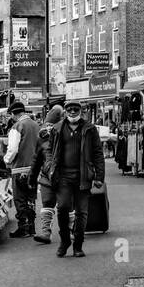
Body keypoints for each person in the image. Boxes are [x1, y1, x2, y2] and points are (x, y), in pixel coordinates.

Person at [47, 101, 105, 257]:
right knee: (63, 207)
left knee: (82, 212)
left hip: (83, 176)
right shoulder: (57, 128)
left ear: (81, 111)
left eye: (76, 109)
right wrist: (49, 167)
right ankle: (64, 240)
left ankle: (78, 245)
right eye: (69, 110)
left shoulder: (90, 129)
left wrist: (99, 176)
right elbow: (49, 151)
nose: (72, 112)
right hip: (63, 176)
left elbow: (98, 153)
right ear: (65, 111)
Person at [28, 105, 64, 244]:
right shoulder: (43, 138)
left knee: (64, 205)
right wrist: (31, 178)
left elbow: (36, 160)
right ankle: (46, 233)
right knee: (50, 204)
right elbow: (37, 160)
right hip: (48, 177)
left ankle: (69, 231)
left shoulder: (66, 134)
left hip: (60, 176)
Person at [4, 102, 40, 238]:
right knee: (31, 198)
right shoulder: (36, 125)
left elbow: (13, 149)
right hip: (34, 168)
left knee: (20, 198)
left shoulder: (17, 126)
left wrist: (6, 160)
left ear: (14, 113)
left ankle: (23, 227)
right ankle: (31, 227)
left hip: (19, 168)